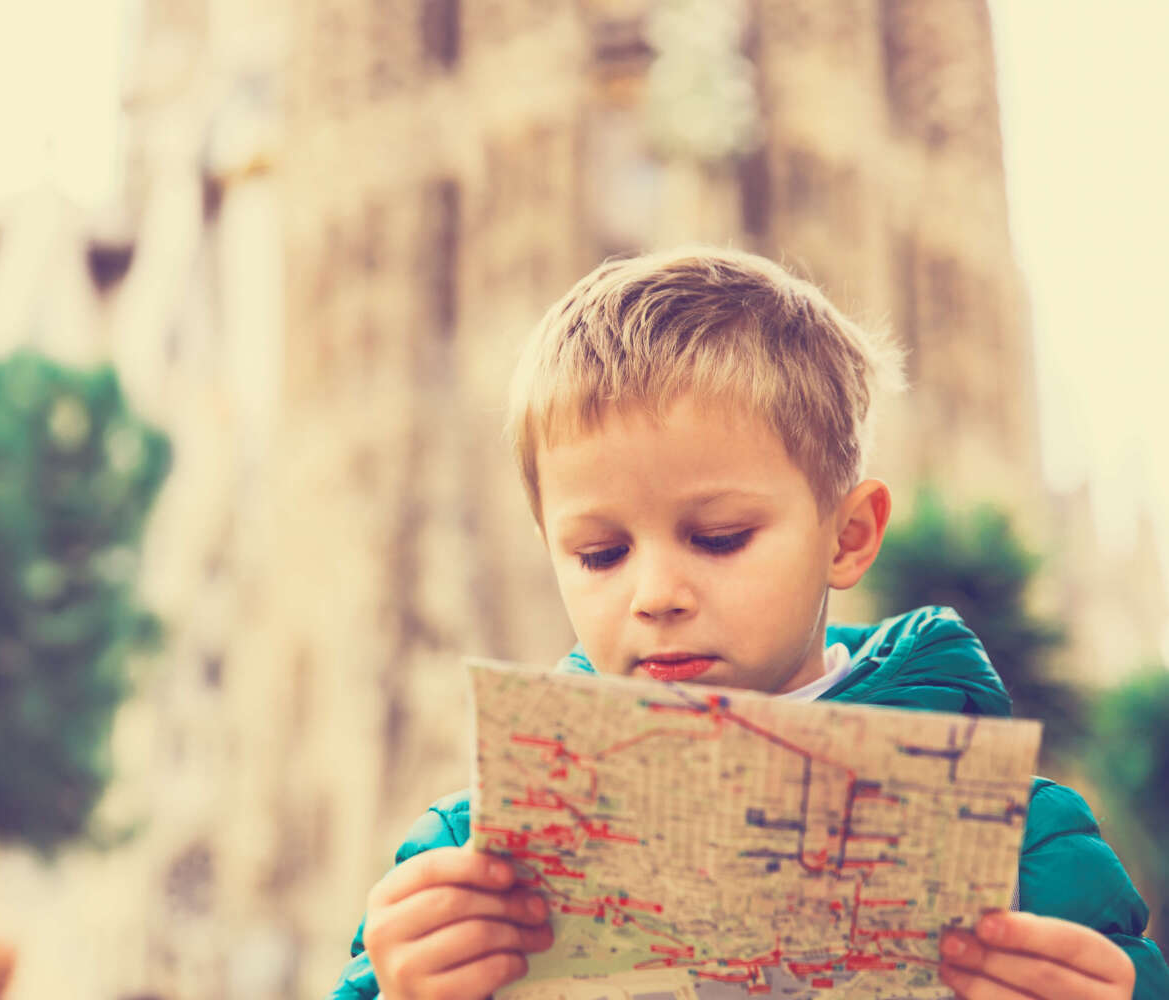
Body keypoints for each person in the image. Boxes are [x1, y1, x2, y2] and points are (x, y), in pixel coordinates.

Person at [328, 248, 1169, 1000]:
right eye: (600, 553)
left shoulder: (1026, 846)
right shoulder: (471, 854)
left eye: (719, 538)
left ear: (848, 536)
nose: (656, 593)